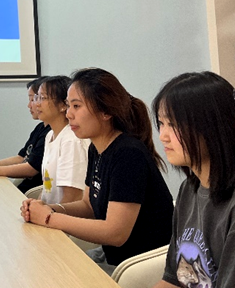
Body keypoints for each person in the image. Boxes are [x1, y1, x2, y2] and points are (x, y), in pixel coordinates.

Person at [20, 68, 173, 269]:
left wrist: (49, 218)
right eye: (68, 105)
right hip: (112, 257)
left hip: (135, 267)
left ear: (106, 112)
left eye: (76, 106)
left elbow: (115, 233)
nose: (69, 114)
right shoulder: (96, 148)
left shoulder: (128, 154)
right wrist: (49, 208)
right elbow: (88, 205)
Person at [152, 72, 235, 288]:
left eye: (173, 124)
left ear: (212, 126)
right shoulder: (189, 189)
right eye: (161, 123)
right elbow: (172, 279)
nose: (163, 136)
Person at [0, 77, 51, 193]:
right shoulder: (40, 128)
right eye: (34, 99)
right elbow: (21, 158)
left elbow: (31, 169)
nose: (31, 105)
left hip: (32, 193)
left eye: (36, 99)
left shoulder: (50, 133)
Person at [34, 76, 89, 204]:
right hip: (50, 211)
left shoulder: (71, 140)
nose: (37, 104)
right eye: (37, 97)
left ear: (63, 105)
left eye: (43, 98)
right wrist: (36, 204)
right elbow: (47, 187)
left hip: (63, 214)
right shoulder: (50, 135)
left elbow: (72, 198)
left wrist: (47, 213)